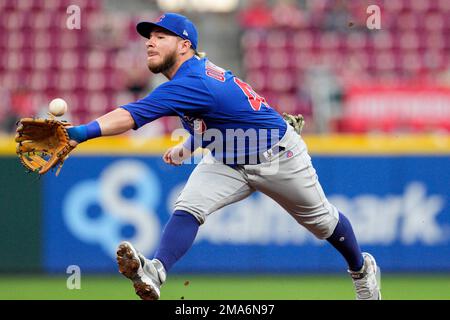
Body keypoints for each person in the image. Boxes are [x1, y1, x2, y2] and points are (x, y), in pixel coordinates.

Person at [66, 13, 381, 300]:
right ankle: (156, 270)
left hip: (277, 157)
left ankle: (361, 269)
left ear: (185, 45)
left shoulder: (192, 81)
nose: (150, 42)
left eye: (161, 37)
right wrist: (188, 147)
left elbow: (132, 114)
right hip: (226, 157)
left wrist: (78, 134)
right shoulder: (194, 74)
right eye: (150, 37)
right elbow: (212, 118)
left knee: (323, 222)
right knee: (188, 207)